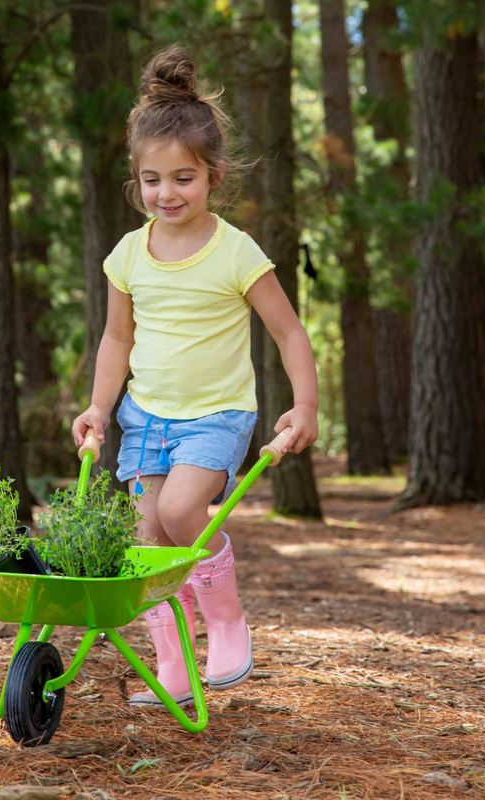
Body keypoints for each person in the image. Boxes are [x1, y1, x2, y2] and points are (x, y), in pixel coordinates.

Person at [72, 45, 319, 709]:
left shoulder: (235, 251)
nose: (167, 193)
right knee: (146, 544)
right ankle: (173, 665)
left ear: (214, 176)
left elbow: (289, 332)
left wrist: (305, 405)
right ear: (137, 180)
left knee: (183, 512)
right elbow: (117, 338)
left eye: (183, 177)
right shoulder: (129, 254)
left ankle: (227, 620)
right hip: (145, 419)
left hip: (216, 415)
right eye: (152, 180)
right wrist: (99, 408)